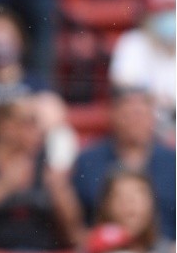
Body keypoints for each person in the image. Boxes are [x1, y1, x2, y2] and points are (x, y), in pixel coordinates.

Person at [0, 6, 77, 170]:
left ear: (20, 41)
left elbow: (54, 113)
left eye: (5, 36)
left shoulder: (36, 81)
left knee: (62, 136)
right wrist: (23, 111)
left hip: (31, 156)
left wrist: (6, 117)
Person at [0, 97, 82, 251]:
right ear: (5, 127)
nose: (38, 130)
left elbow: (73, 227)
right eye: (29, 122)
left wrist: (60, 191)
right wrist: (4, 186)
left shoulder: (44, 162)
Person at [71, 88, 176, 240]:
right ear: (113, 115)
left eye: (140, 115)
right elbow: (77, 221)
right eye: (128, 115)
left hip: (166, 252)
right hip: (105, 250)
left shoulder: (172, 161)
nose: (135, 121)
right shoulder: (88, 160)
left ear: (152, 118)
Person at [78, 170, 175, 253]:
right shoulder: (93, 250)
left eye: (138, 194)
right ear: (106, 205)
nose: (129, 202)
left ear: (152, 202)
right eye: (120, 196)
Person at [109, 0, 175, 146]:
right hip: (146, 127)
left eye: (172, 12)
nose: (168, 19)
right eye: (161, 14)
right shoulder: (133, 43)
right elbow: (122, 84)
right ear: (147, 17)